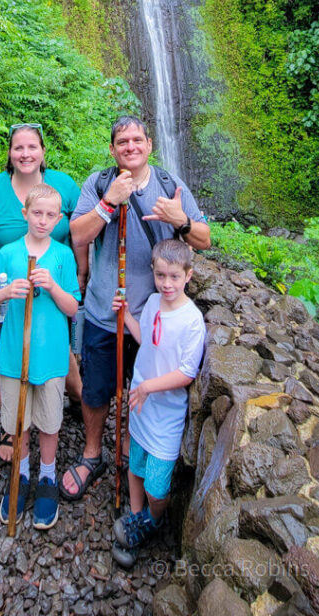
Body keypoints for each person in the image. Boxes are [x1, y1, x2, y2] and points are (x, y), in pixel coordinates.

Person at [61, 115, 210, 501]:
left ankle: (132, 452)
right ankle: (93, 454)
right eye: (122, 141)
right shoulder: (97, 184)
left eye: (137, 140)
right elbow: (77, 234)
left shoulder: (170, 185)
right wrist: (110, 202)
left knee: (141, 389)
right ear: (112, 149)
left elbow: (205, 239)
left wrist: (181, 221)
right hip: (103, 313)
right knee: (95, 390)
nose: (130, 146)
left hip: (152, 318)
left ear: (149, 144)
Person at [0, 122, 85, 461]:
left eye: (32, 147)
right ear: (10, 153)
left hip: (51, 288)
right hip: (0, 288)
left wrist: (84, 270)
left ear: (43, 151)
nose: (26, 154)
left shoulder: (64, 186)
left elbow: (81, 231)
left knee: (61, 351)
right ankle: (11, 423)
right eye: (19, 147)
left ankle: (74, 400)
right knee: (2, 355)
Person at [0, 184, 80, 530]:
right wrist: (7, 292)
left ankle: (48, 477)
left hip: (51, 357)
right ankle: (20, 475)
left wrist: (53, 286)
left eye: (51, 215)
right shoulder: (8, 253)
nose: (43, 220)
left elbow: (73, 307)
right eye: (37, 213)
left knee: (50, 422)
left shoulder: (63, 256)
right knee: (18, 420)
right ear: (25, 214)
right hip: (13, 356)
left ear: (59, 219)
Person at [111, 238, 205, 567]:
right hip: (142, 404)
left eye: (174, 277)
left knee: (156, 484)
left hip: (165, 413)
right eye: (161, 275)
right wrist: (125, 315)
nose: (167, 284)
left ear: (188, 276)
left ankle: (153, 520)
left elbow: (186, 372)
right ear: (153, 271)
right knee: (135, 466)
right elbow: (144, 339)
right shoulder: (151, 303)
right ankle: (137, 519)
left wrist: (149, 386)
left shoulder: (192, 320)